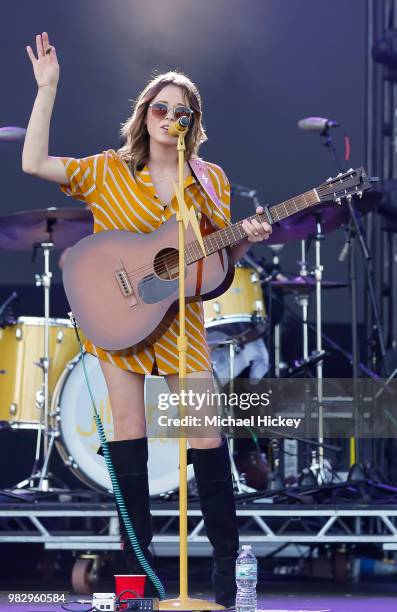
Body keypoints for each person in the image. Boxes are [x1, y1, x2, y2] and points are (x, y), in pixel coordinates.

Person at [22, 32, 272, 607]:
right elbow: (33, 162)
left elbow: (214, 265)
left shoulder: (210, 181)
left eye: (182, 112)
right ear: (145, 114)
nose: (169, 117)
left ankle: (225, 576)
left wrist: (243, 243)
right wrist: (47, 90)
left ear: (193, 122)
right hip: (122, 317)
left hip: (183, 320)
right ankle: (138, 577)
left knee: (208, 439)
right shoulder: (106, 170)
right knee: (129, 437)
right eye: (160, 108)